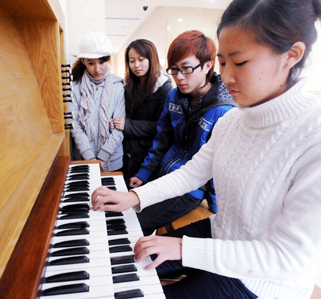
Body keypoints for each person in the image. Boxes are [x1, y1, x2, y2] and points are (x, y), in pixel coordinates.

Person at [91, 0, 321, 298]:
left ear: (291, 55)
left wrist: (184, 247)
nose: (226, 75)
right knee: (118, 265)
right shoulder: (234, 121)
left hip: (263, 281)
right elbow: (191, 174)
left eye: (240, 62)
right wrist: (133, 196)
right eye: (223, 62)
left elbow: (288, 258)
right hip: (221, 235)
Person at [129, 31, 235, 235]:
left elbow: (219, 167)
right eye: (174, 69)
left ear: (207, 66)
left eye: (186, 69)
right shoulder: (173, 96)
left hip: (191, 189)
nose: (179, 77)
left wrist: (215, 207)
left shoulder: (224, 110)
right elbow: (162, 139)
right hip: (164, 175)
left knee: (136, 224)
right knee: (126, 212)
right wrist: (144, 173)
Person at [110, 39, 173, 187]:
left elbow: (161, 128)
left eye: (141, 59)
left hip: (148, 155)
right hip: (126, 152)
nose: (136, 65)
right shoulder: (127, 85)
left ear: (152, 59)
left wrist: (127, 125)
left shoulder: (164, 87)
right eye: (131, 61)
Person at [69, 32, 125, 172]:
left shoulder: (118, 86)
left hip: (113, 160)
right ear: (83, 61)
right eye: (91, 63)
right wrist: (91, 158)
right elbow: (74, 124)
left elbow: (120, 126)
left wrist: (103, 156)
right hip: (83, 159)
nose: (97, 69)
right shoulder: (74, 87)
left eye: (102, 62)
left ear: (108, 60)